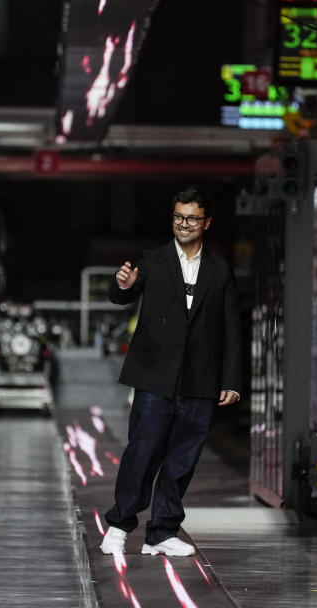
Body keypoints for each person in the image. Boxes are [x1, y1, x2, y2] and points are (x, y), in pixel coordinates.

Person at [99, 186, 242, 558]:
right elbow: (123, 293)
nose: (184, 224)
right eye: (178, 217)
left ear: (206, 222)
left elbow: (231, 327)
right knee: (142, 451)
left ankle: (161, 532)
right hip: (155, 376)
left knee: (183, 458)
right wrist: (122, 285)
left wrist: (231, 380)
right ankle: (119, 524)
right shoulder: (152, 260)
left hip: (200, 380)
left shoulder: (219, 269)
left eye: (192, 219)